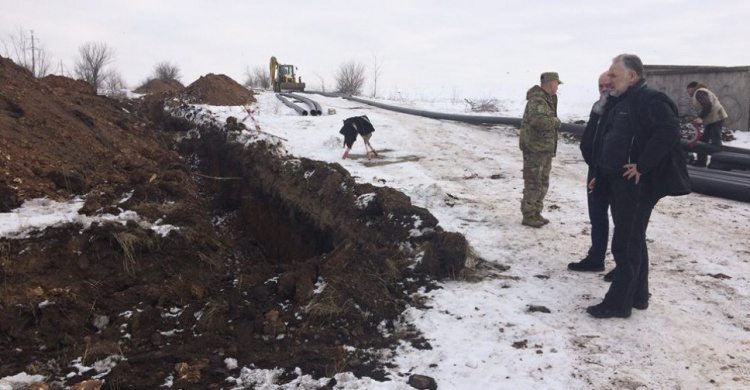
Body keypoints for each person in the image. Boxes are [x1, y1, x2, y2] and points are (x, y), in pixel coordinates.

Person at [586, 54, 691, 319]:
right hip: (617, 181)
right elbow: (609, 142)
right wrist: (601, 173)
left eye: (613, 75)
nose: (607, 80)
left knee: (625, 243)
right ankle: (638, 295)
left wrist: (642, 166)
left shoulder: (650, 100)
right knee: (633, 240)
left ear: (632, 76)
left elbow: (668, 131)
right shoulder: (620, 102)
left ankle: (618, 304)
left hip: (637, 184)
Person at [568, 71, 612, 273]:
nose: (604, 89)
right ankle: (596, 258)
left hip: (614, 172)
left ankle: (623, 267)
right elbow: (590, 137)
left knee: (622, 221)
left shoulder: (624, 108)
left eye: (607, 85)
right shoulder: (598, 107)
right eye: (600, 86)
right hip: (595, 170)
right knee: (597, 216)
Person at [519, 72, 562, 228]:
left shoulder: (547, 100)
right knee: (533, 183)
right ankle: (529, 215)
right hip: (535, 149)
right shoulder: (538, 100)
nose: (557, 87)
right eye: (557, 84)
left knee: (542, 182)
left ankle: (536, 212)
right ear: (551, 83)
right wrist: (556, 121)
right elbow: (539, 121)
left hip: (544, 149)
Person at [686, 81, 729, 167]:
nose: (688, 93)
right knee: (703, 141)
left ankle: (719, 163)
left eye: (689, 90)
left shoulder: (699, 93)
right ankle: (701, 162)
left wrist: (701, 117)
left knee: (715, 142)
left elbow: (707, 105)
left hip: (716, 118)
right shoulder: (702, 92)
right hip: (713, 119)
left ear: (693, 88)